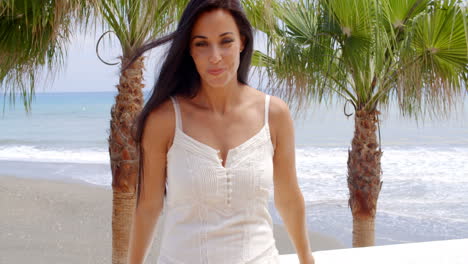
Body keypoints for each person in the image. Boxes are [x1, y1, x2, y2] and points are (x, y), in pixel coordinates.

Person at [127, 0, 315, 263]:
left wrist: (306, 258)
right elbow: (148, 207)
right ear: (189, 51)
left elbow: (289, 198)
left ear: (243, 43)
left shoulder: (274, 114)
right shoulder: (165, 120)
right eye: (201, 44)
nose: (214, 56)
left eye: (226, 41)